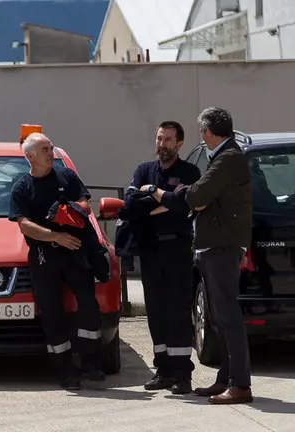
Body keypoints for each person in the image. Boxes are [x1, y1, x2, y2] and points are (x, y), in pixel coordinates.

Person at [8, 132, 105, 390]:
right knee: (52, 313)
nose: (52, 153)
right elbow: (24, 225)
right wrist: (56, 236)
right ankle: (65, 370)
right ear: (30, 157)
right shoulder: (21, 188)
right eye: (45, 150)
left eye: (51, 148)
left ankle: (90, 360)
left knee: (89, 305)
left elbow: (85, 201)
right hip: (44, 257)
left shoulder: (67, 176)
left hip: (75, 252)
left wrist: (74, 210)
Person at [180, 107, 253, 404]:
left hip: (222, 247)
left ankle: (240, 385)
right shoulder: (222, 157)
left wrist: (195, 196)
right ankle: (225, 378)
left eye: (202, 131)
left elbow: (197, 196)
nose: (201, 136)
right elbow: (200, 197)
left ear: (209, 132)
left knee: (229, 318)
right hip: (214, 246)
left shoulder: (228, 158)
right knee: (219, 318)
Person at [124, 121, 201, 394]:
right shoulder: (144, 170)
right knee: (156, 312)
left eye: (168, 139)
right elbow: (131, 206)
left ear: (179, 143)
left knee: (178, 312)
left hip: (177, 251)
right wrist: (165, 202)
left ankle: (183, 375)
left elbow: (184, 205)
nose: (162, 144)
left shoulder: (189, 172)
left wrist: (155, 197)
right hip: (150, 251)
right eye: (159, 138)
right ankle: (164, 371)